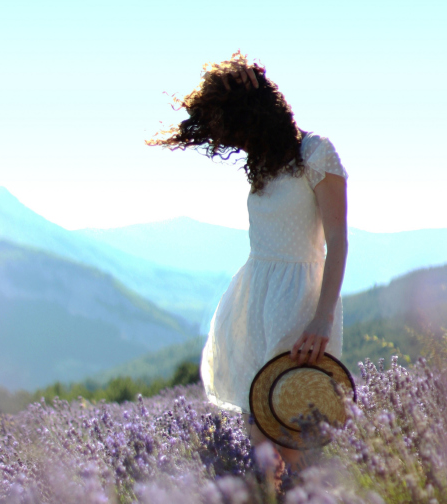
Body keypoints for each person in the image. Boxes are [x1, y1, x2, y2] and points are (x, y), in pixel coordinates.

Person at [147, 52, 348, 475]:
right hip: (254, 300)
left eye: (237, 129)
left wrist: (321, 319)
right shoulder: (262, 164)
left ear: (258, 119)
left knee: (287, 436)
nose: (234, 142)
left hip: (301, 304)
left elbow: (338, 241)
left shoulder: (316, 152)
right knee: (262, 438)